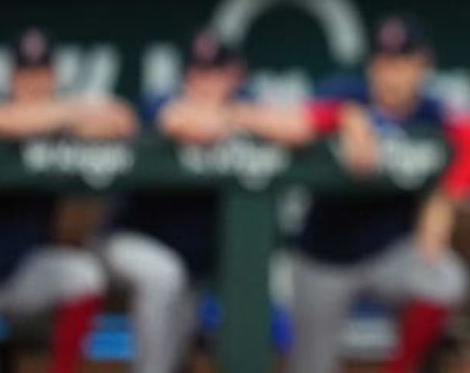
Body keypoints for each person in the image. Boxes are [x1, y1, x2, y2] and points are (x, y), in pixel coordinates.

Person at [286, 14, 470, 373]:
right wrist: (343, 117)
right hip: (325, 257)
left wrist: (444, 198)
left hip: (388, 254)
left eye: (402, 63)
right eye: (383, 63)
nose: (391, 74)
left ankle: (400, 368)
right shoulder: (345, 93)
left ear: (422, 65)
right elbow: (293, 122)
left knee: (445, 279)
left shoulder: (429, 111)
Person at [103, 31, 314, 373]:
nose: (205, 82)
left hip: (199, 265)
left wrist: (235, 116)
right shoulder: (161, 101)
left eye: (215, 73)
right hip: (136, 238)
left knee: (258, 290)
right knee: (163, 277)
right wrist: (241, 119)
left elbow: (301, 127)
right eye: (197, 72)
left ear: (235, 74)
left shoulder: (246, 102)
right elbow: (182, 123)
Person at [0, 28, 133, 373]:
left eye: (41, 73)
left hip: (24, 271)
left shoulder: (59, 117)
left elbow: (121, 120)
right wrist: (68, 115)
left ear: (54, 76)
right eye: (26, 74)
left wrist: (64, 117)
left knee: (83, 276)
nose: (34, 83)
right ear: (11, 76)